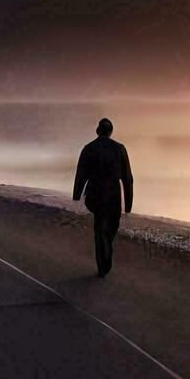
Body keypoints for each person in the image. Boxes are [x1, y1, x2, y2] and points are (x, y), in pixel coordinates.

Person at [72, 118, 134, 276]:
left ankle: (103, 260)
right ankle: (104, 263)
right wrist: (128, 205)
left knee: (100, 229)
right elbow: (128, 178)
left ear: (98, 131)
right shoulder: (119, 149)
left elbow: (81, 174)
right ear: (111, 131)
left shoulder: (89, 148)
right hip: (113, 195)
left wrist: (77, 195)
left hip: (96, 194)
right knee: (109, 228)